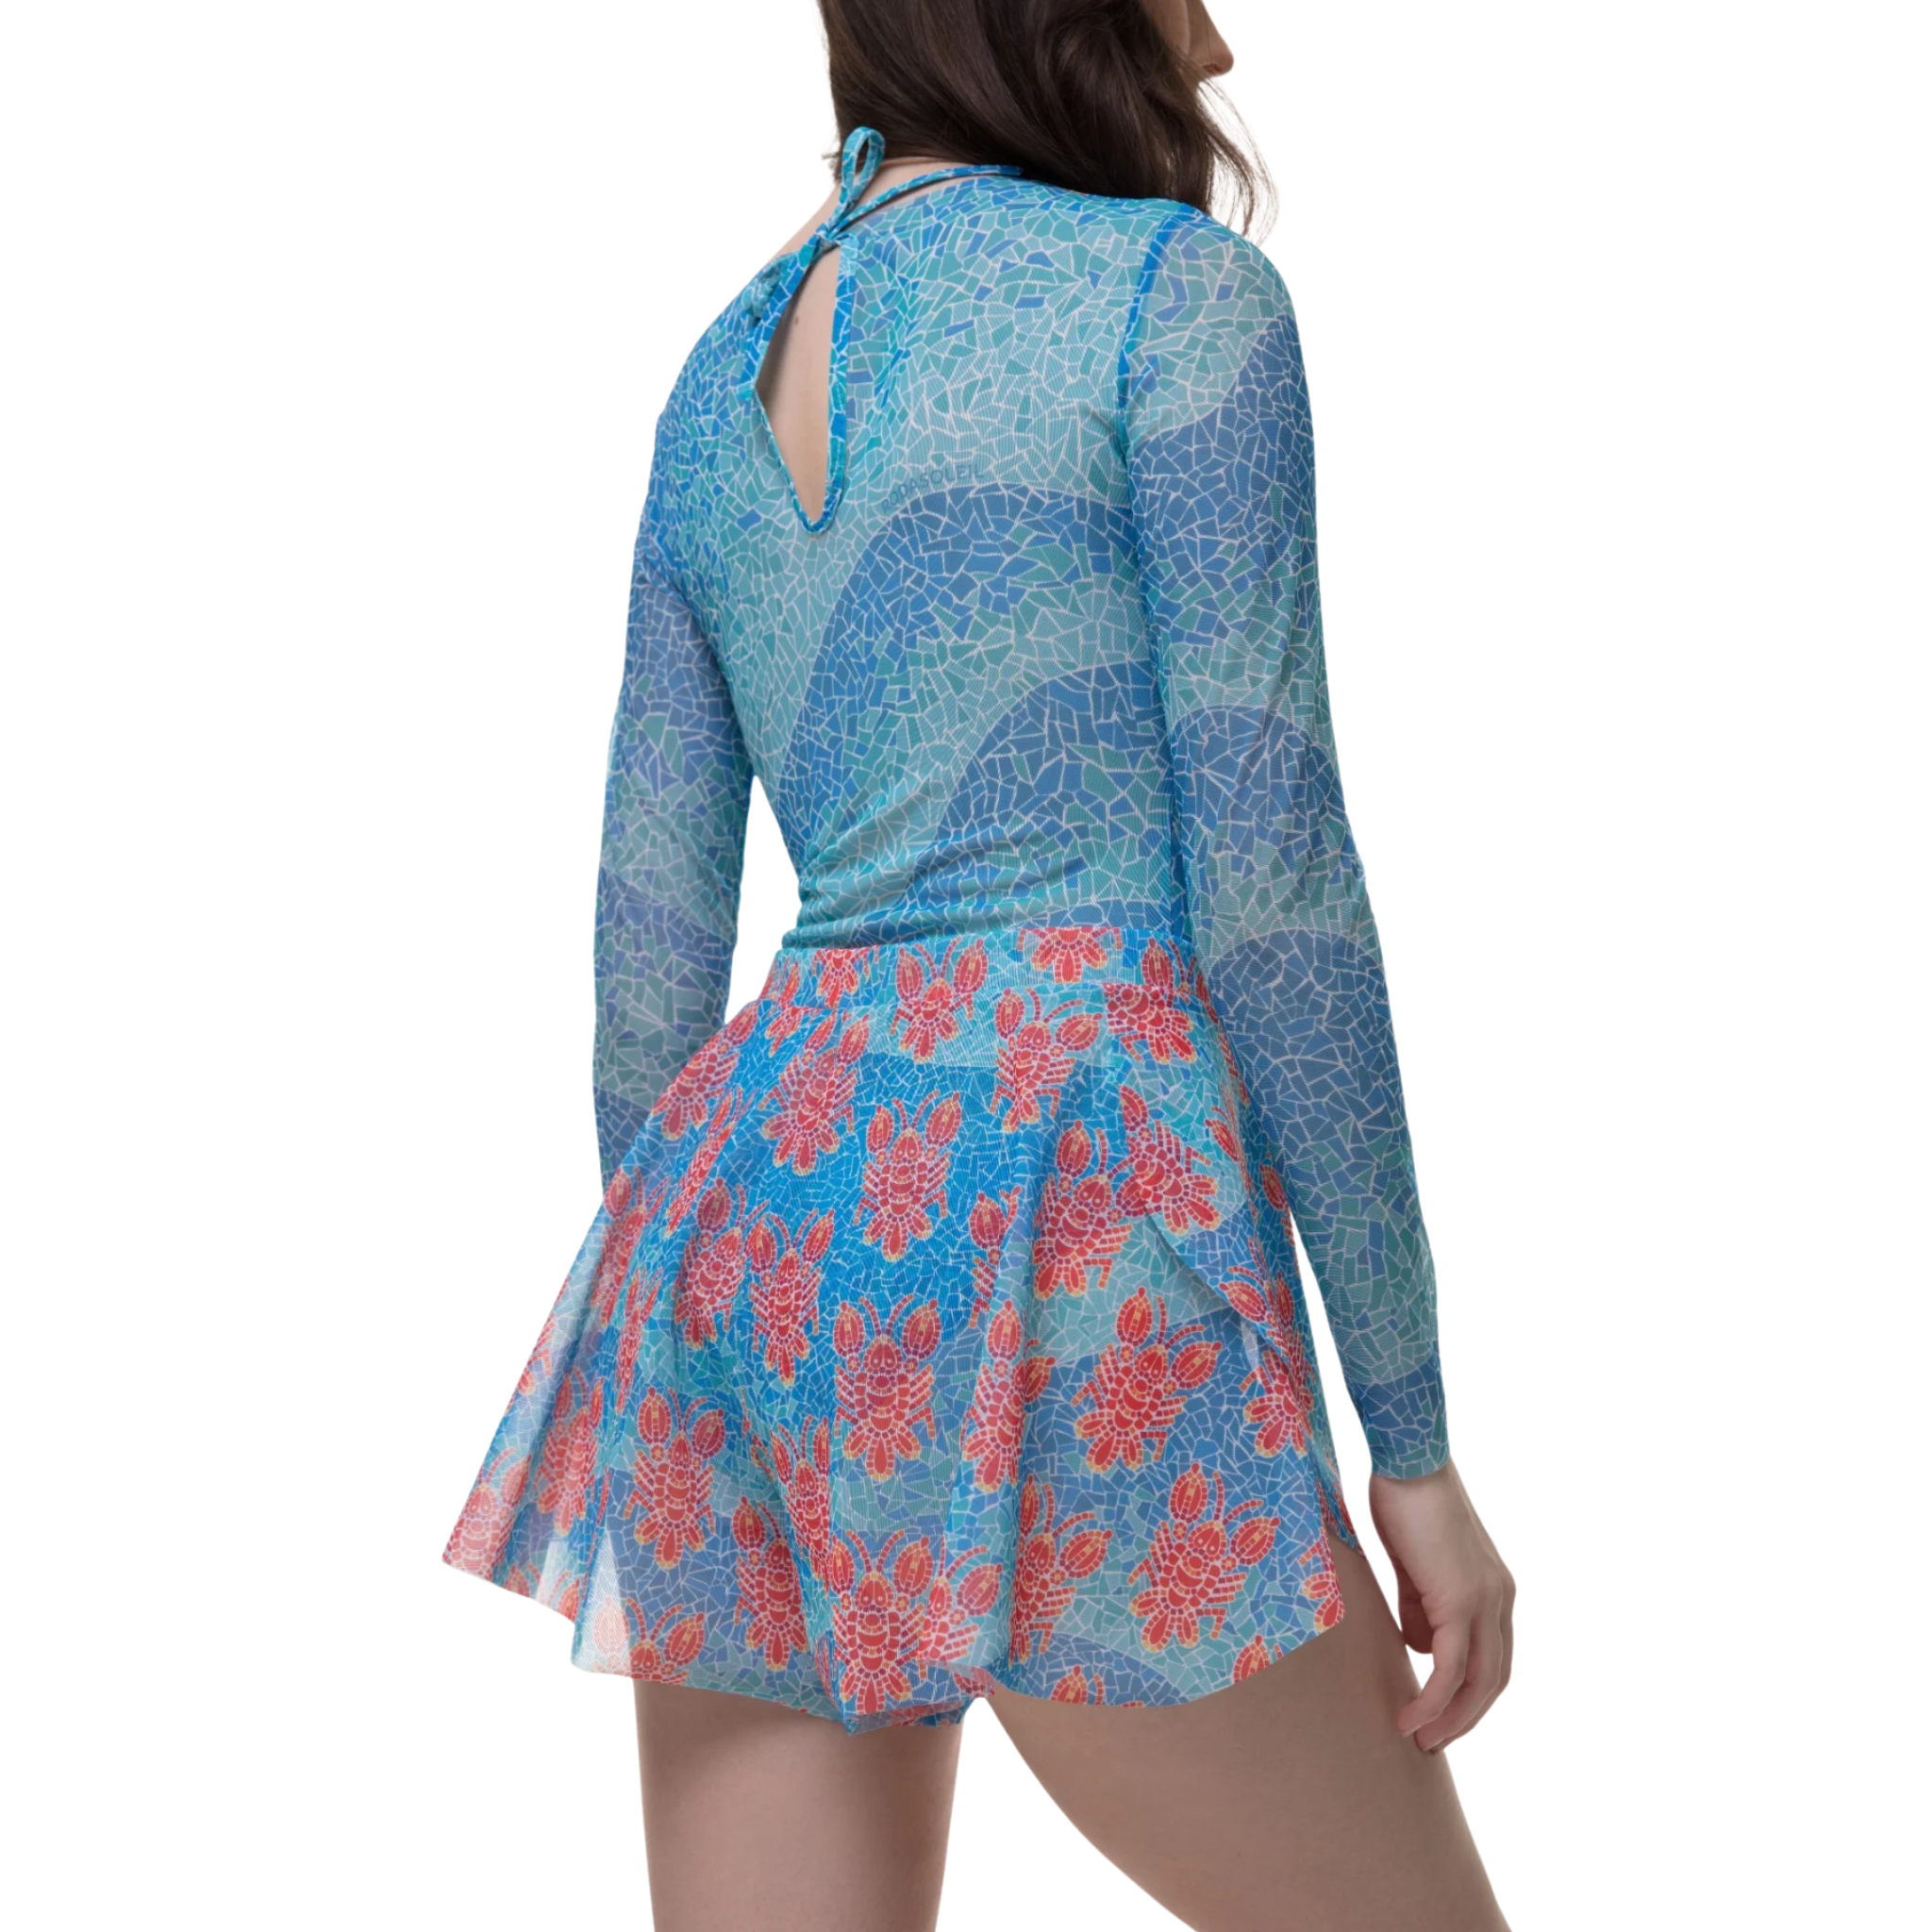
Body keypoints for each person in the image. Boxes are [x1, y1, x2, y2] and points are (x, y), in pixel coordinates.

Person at [443, 1, 1515, 1924]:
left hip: (755, 1225)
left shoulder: (714, 380)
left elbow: (646, 947)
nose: (1214, 38)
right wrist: (1412, 1436)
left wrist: (714, 1362)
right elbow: (1272, 886)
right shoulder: (1170, 302)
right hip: (1080, 1215)